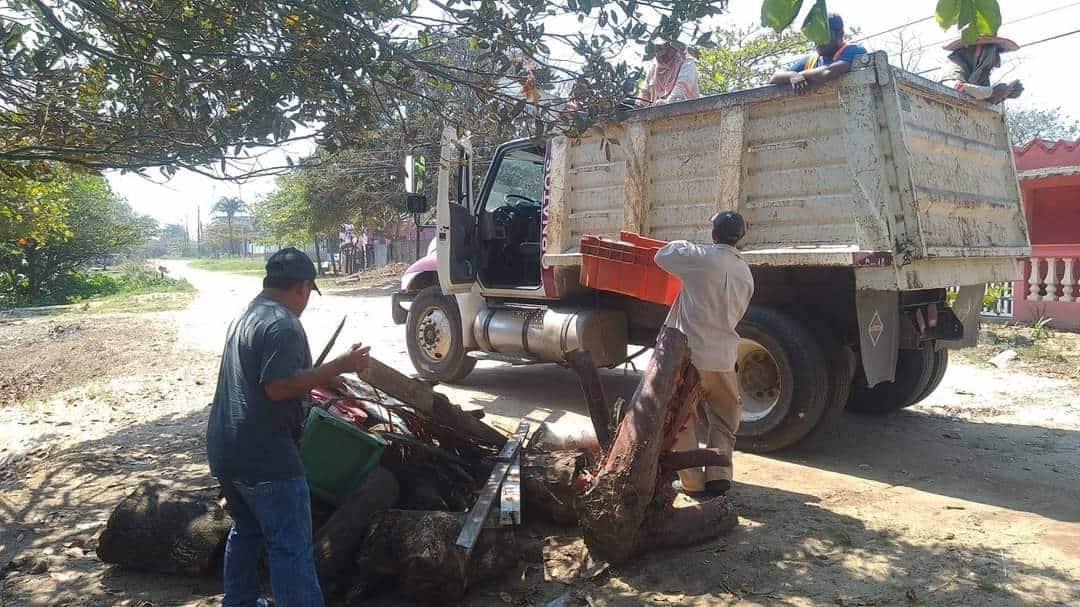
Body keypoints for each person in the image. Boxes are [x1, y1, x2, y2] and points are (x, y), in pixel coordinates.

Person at [206, 247, 372, 607]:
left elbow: (264, 380)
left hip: (226, 449)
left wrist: (322, 380)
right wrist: (339, 365)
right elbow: (278, 386)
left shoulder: (249, 315)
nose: (306, 301)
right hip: (266, 458)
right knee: (290, 549)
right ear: (302, 287)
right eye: (309, 294)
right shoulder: (283, 324)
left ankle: (239, 602)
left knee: (247, 531)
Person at [654, 212, 754, 497]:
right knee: (724, 420)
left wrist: (688, 244)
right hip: (723, 356)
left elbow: (662, 256)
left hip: (691, 356)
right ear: (740, 237)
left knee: (683, 419)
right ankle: (719, 474)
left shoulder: (699, 258)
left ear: (713, 234)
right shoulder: (745, 272)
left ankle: (692, 483)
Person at [770, 14, 866, 94]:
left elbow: (826, 73)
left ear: (840, 35)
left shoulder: (854, 51)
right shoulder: (811, 60)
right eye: (815, 34)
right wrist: (792, 75)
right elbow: (774, 77)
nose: (817, 40)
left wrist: (800, 74)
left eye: (823, 35)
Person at [941, 35, 1023, 105]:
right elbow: (955, 88)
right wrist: (992, 92)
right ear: (979, 49)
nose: (997, 62)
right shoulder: (954, 61)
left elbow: (981, 96)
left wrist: (1002, 95)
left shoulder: (981, 71)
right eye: (995, 52)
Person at [637, 40, 700, 107]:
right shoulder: (653, 69)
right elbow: (644, 93)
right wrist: (638, 105)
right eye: (658, 49)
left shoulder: (687, 63)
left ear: (674, 48)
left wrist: (668, 102)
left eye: (665, 48)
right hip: (658, 114)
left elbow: (682, 87)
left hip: (687, 111)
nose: (662, 53)